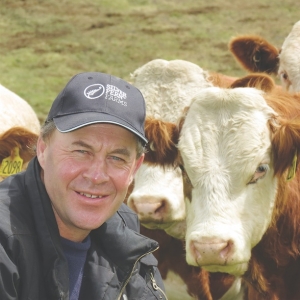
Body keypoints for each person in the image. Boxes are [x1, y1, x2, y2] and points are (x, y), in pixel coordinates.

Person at [0, 72, 167, 300]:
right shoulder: (4, 242)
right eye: (81, 151)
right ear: (42, 149)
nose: (97, 176)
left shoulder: (128, 238)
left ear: (134, 169)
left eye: (117, 158)